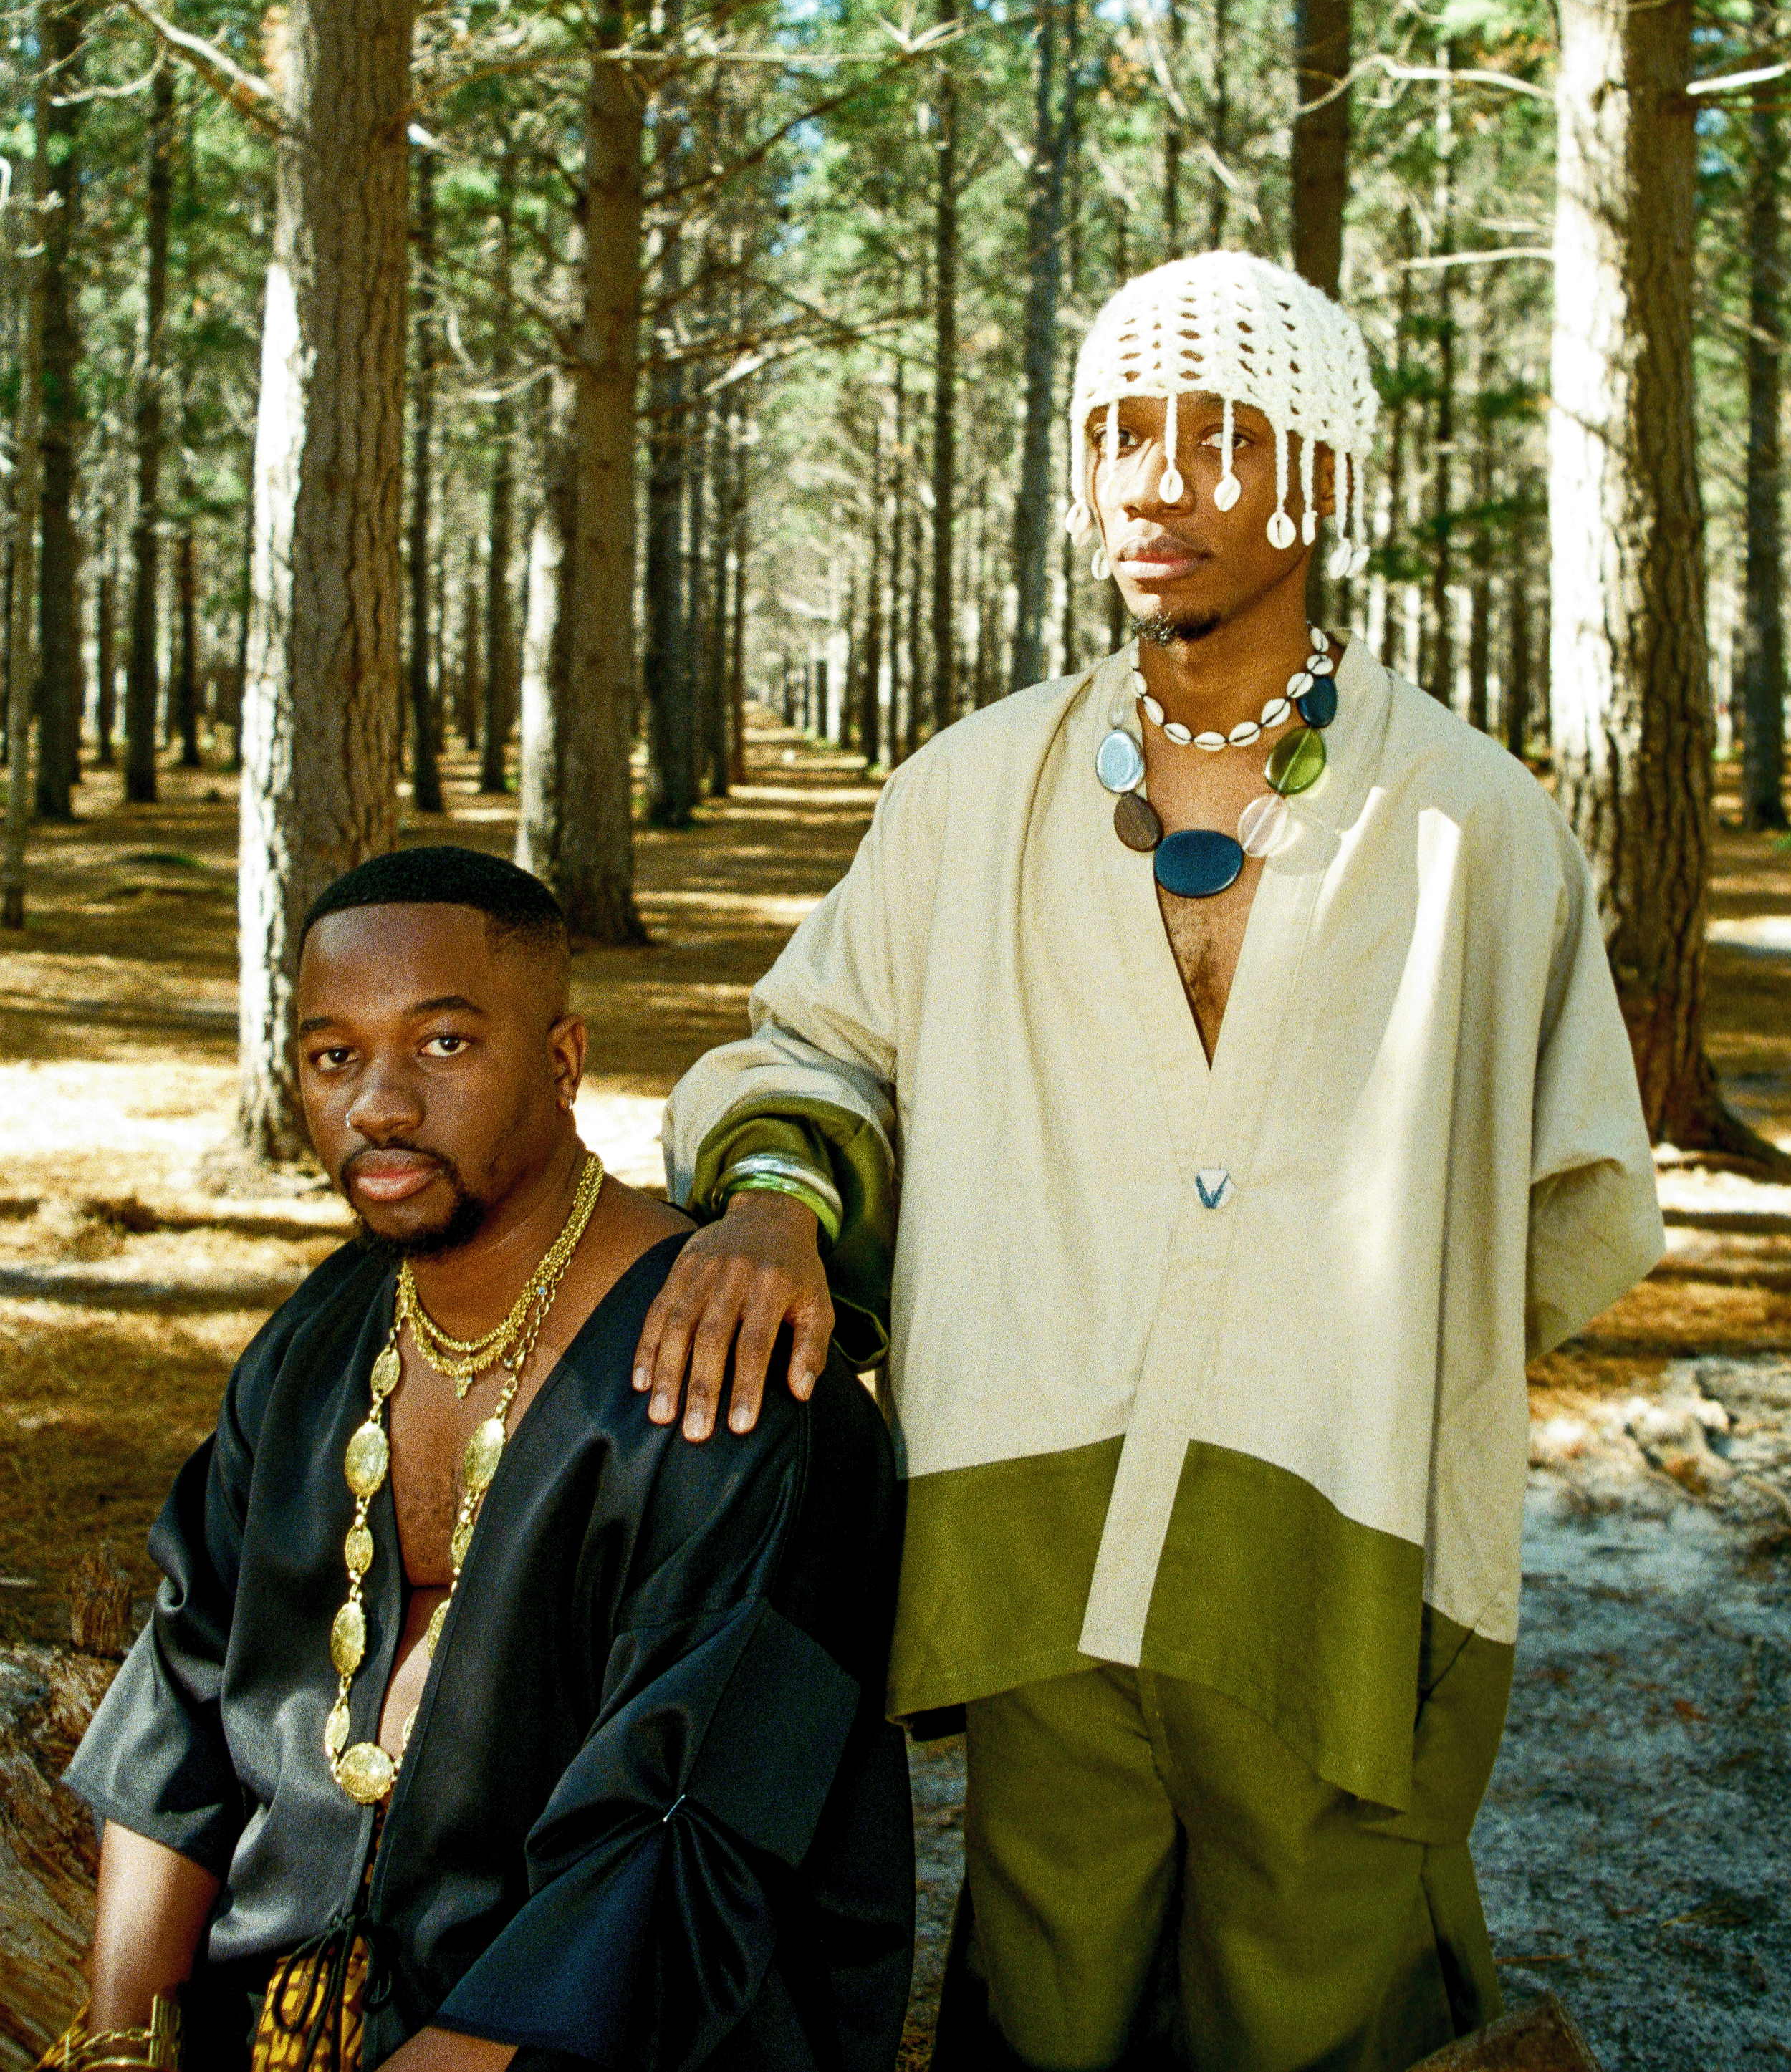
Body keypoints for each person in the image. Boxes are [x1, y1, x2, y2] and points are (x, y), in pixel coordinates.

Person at [638, 252, 1666, 2072]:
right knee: (1045, 1986)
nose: (1149, 482)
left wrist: (1344, 1342)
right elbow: (813, 1048)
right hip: (1032, 1517)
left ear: (1321, 472)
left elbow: (1565, 1202)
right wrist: (783, 1202)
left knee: (1329, 1984)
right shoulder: (966, 791)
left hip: (1333, 1530)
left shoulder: (1471, 825)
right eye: (1116, 434)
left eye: (1211, 436)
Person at [57, 845, 911, 2072]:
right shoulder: (317, 1345)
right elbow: (184, 1696)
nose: (380, 1104)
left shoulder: (740, 1393)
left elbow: (677, 1858)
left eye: (443, 1044)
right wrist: (119, 2042)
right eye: (334, 1055)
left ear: (563, 1062)